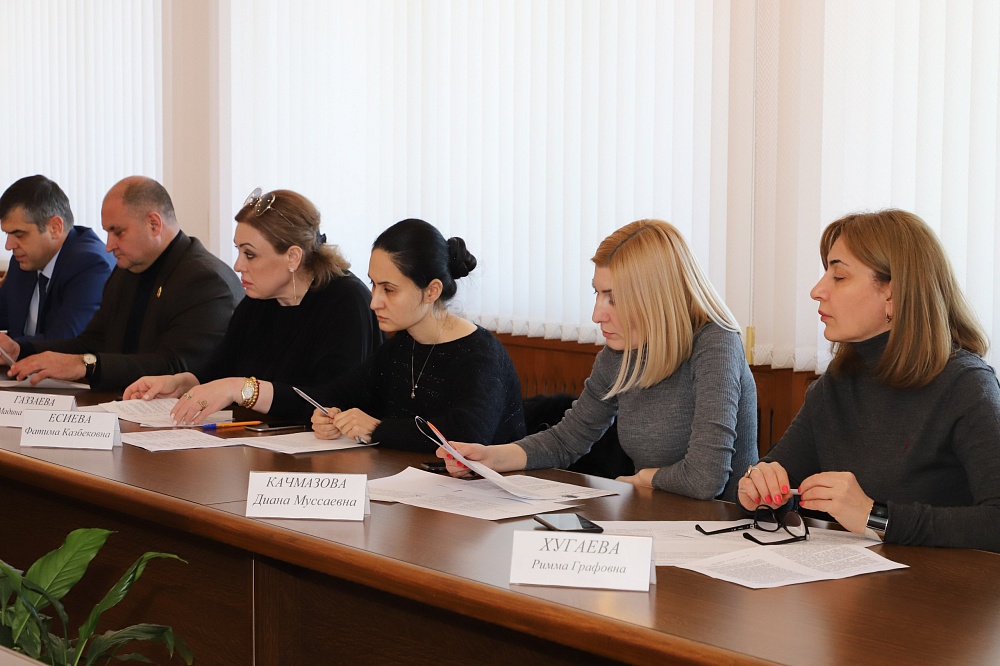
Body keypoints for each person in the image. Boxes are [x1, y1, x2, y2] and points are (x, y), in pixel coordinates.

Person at [438, 219, 758, 502]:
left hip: (722, 529)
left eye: (614, 299)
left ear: (655, 298)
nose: (597, 315)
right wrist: (488, 458)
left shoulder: (716, 342)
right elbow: (567, 439)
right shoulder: (620, 352)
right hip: (656, 518)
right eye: (598, 293)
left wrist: (645, 479)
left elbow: (705, 479)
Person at [738, 209, 1000, 552]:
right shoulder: (835, 384)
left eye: (839, 276)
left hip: (939, 584)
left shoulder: (966, 385)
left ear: (892, 293)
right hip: (852, 580)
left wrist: (874, 516)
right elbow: (778, 475)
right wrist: (758, 487)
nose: (817, 290)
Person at [124, 188, 382, 423]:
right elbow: (219, 370)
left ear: (292, 257)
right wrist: (179, 384)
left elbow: (331, 402)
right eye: (238, 251)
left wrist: (242, 389)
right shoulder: (258, 300)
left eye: (250, 254)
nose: (238, 265)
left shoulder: (346, 301)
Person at [2, 176, 244, 391]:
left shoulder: (205, 280)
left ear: (154, 224)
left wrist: (86, 365)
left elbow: (176, 367)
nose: (109, 246)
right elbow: (93, 342)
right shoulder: (127, 270)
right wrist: (23, 351)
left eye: (117, 232)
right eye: (107, 232)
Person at [308, 218, 524, 450]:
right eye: (374, 284)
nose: (374, 302)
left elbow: (468, 434)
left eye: (389, 289)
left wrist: (377, 429)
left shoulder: (481, 354)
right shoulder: (402, 345)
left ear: (432, 291)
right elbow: (341, 393)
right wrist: (328, 414)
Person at [0, 175, 114, 344]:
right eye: (7, 234)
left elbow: (63, 342)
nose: (8, 245)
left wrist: (14, 348)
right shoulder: (23, 260)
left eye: (19, 234)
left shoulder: (91, 265)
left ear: (55, 228)